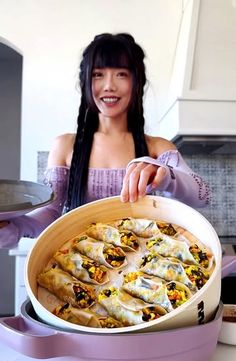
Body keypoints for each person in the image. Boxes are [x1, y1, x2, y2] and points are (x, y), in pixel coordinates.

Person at [0, 33, 211, 249]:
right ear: (85, 82)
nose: (109, 85)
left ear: (137, 82)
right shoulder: (65, 146)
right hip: (80, 268)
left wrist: (164, 177)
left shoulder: (157, 147)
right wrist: (16, 228)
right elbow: (51, 212)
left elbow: (202, 195)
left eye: (121, 74)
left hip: (144, 269)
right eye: (98, 75)